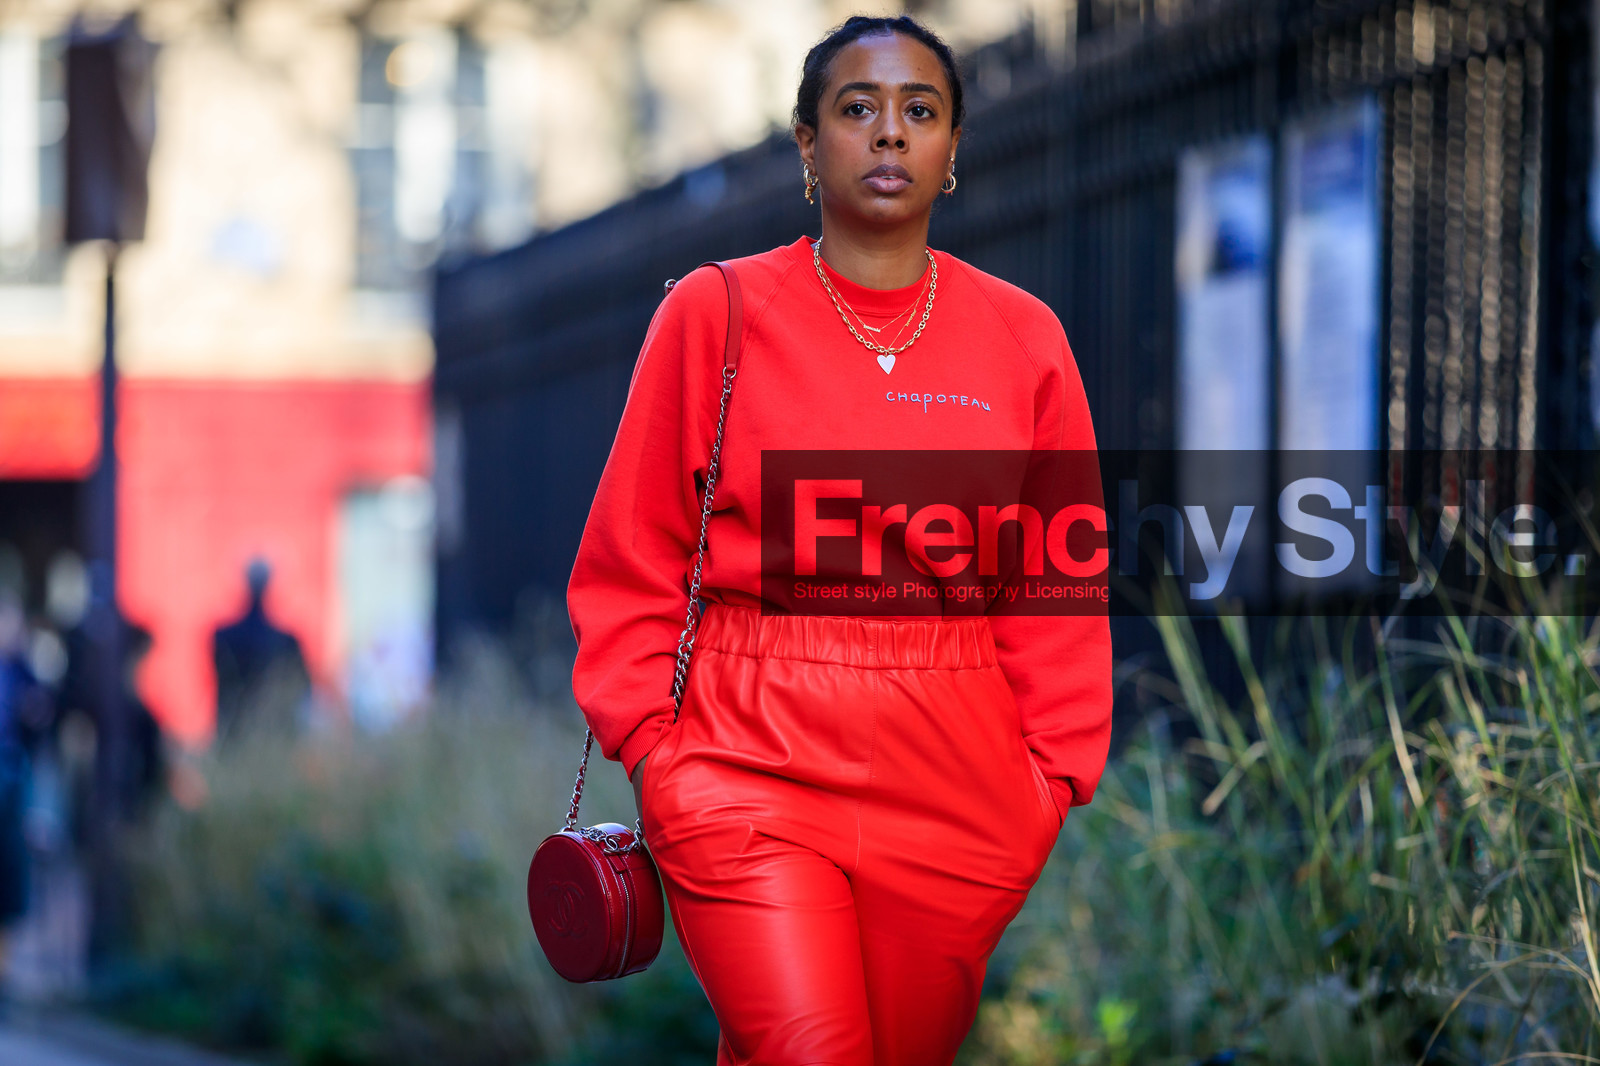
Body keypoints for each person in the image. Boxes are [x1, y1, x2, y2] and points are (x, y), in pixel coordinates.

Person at [565, 15, 1113, 1065]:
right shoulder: (717, 312)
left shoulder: (1024, 338)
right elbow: (632, 556)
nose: (890, 132)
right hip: (746, 754)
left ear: (952, 148)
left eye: (920, 110)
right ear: (809, 145)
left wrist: (1046, 784)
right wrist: (657, 751)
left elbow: (1056, 583)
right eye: (858, 108)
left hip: (958, 777)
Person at [212, 558, 310, 742]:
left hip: (241, 733)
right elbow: (302, 690)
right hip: (265, 734)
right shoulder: (287, 641)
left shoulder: (223, 636)